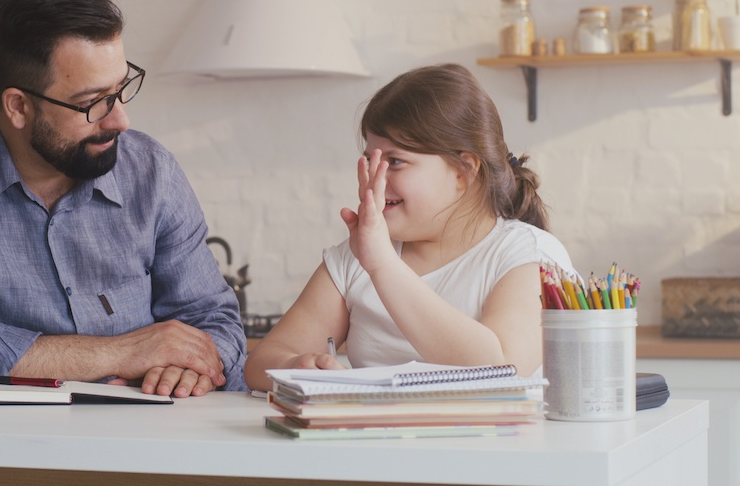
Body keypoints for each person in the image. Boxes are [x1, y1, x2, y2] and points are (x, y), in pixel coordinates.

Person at [0, 0, 246, 397]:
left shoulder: (151, 172)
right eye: (92, 103)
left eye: (122, 88)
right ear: (18, 106)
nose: (120, 120)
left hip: (151, 440)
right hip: (2, 451)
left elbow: (214, 322)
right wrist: (118, 353)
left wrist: (191, 367)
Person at [245, 64, 575, 392]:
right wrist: (294, 365)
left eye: (395, 161)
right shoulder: (355, 258)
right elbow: (262, 362)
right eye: (371, 160)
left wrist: (383, 266)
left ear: (463, 171)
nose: (377, 177)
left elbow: (503, 369)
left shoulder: (527, 255)